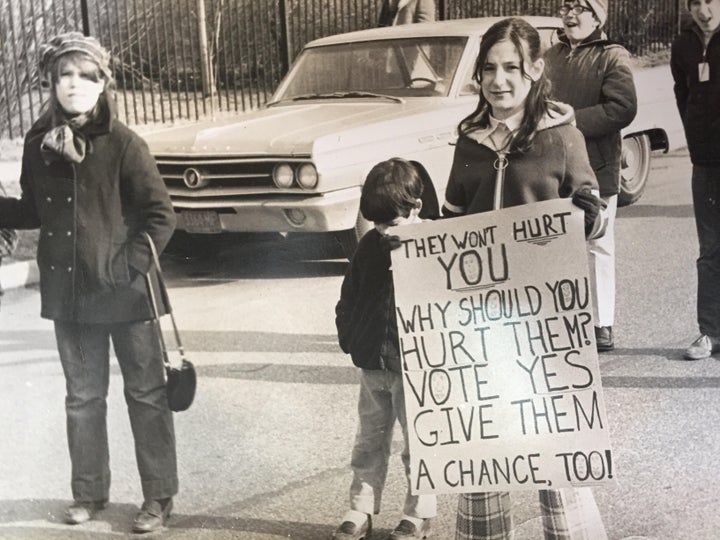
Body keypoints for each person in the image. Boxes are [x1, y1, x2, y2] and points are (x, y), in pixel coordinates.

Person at [0, 32, 178, 533]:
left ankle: (158, 497)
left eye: (86, 75)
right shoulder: (40, 146)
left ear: (103, 84)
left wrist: (128, 267)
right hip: (71, 298)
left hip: (127, 294)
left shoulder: (125, 144)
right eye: (64, 75)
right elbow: (34, 211)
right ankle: (89, 494)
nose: (74, 85)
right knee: (82, 399)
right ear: (51, 83)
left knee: (146, 395)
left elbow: (160, 216)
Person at [441, 18, 608, 539]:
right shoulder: (468, 141)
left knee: (555, 458)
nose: (499, 80)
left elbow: (594, 217)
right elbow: (451, 222)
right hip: (481, 323)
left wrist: (585, 210)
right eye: (489, 69)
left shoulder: (562, 134)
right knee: (486, 451)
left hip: (543, 326)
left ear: (535, 70)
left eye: (511, 68)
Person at [333, 158, 436, 540]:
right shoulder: (369, 246)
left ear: (416, 209)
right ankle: (360, 508)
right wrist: (351, 336)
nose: (382, 230)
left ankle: (419, 511)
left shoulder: (436, 243)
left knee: (420, 442)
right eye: (376, 222)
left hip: (418, 366)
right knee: (369, 441)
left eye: (391, 221)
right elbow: (350, 294)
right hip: (373, 362)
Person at [544, 0, 638, 353]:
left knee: (597, 244)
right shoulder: (551, 56)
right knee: (552, 244)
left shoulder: (612, 55)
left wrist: (571, 121)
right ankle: (563, 320)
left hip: (596, 166)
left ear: (598, 16)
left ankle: (601, 325)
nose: (570, 13)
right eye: (566, 5)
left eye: (580, 6)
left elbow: (622, 107)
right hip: (552, 165)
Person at [672, 0, 720, 360]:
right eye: (695, 3)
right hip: (704, 161)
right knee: (710, 249)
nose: (704, 10)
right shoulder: (682, 44)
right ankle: (710, 332)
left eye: (710, 1)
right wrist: (694, 135)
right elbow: (682, 93)